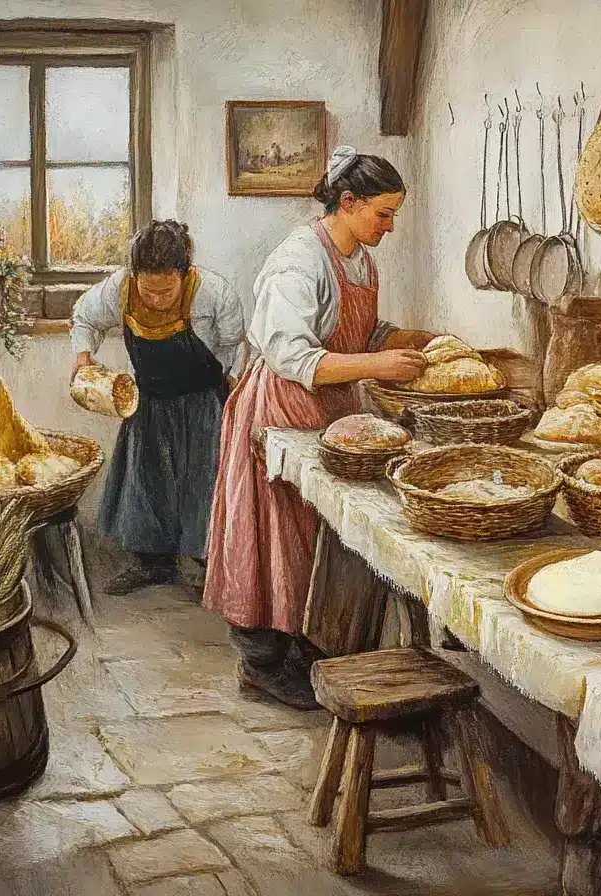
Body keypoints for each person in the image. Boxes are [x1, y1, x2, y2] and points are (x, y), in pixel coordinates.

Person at [202, 147, 436, 709]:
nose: (391, 225)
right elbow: (289, 353)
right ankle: (262, 665)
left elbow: (357, 330)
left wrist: (405, 341)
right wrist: (378, 366)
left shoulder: (360, 257)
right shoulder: (298, 260)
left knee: (323, 538)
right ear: (348, 203)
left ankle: (313, 655)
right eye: (383, 213)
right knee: (276, 538)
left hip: (333, 414)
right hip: (283, 411)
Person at [70, 220, 246, 593]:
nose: (156, 300)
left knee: (204, 485)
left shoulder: (214, 293)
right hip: (148, 403)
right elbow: (84, 317)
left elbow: (234, 344)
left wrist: (233, 387)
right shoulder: (119, 289)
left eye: (166, 291)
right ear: (135, 275)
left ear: (184, 273)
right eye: (149, 291)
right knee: (148, 483)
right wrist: (83, 358)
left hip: (203, 405)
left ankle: (207, 570)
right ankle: (154, 566)